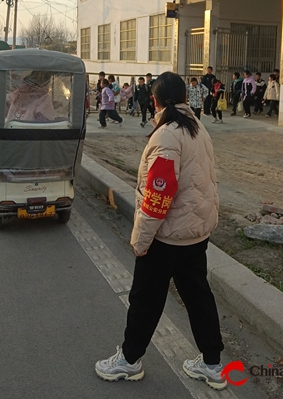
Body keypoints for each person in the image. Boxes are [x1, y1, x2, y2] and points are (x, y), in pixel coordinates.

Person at [95, 71, 226, 390]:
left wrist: (141, 240)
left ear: (153, 100)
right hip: (195, 233)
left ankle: (128, 360)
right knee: (198, 296)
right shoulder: (196, 127)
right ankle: (213, 363)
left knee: (145, 299)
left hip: (168, 236)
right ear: (183, 98)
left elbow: (158, 195)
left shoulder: (168, 135)